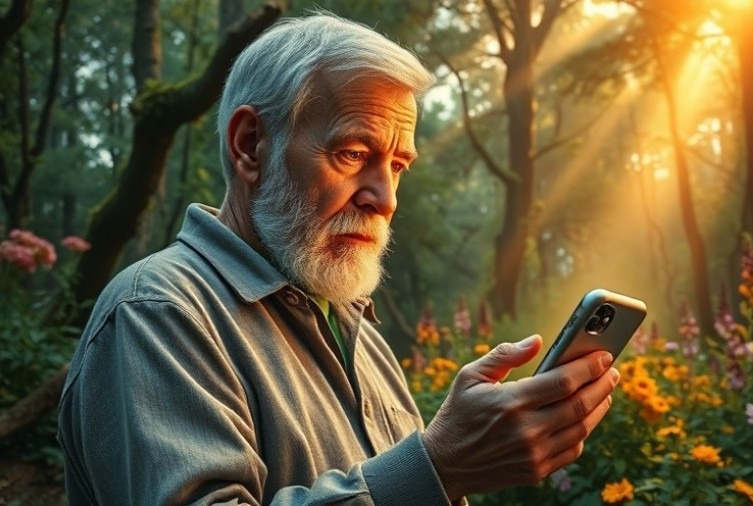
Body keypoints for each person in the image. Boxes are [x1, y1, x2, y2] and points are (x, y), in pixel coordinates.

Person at [57, 13, 621, 505]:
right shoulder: (158, 313)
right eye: (354, 153)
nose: (386, 198)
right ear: (251, 145)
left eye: (398, 165)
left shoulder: (360, 332)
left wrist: (456, 467)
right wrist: (441, 465)